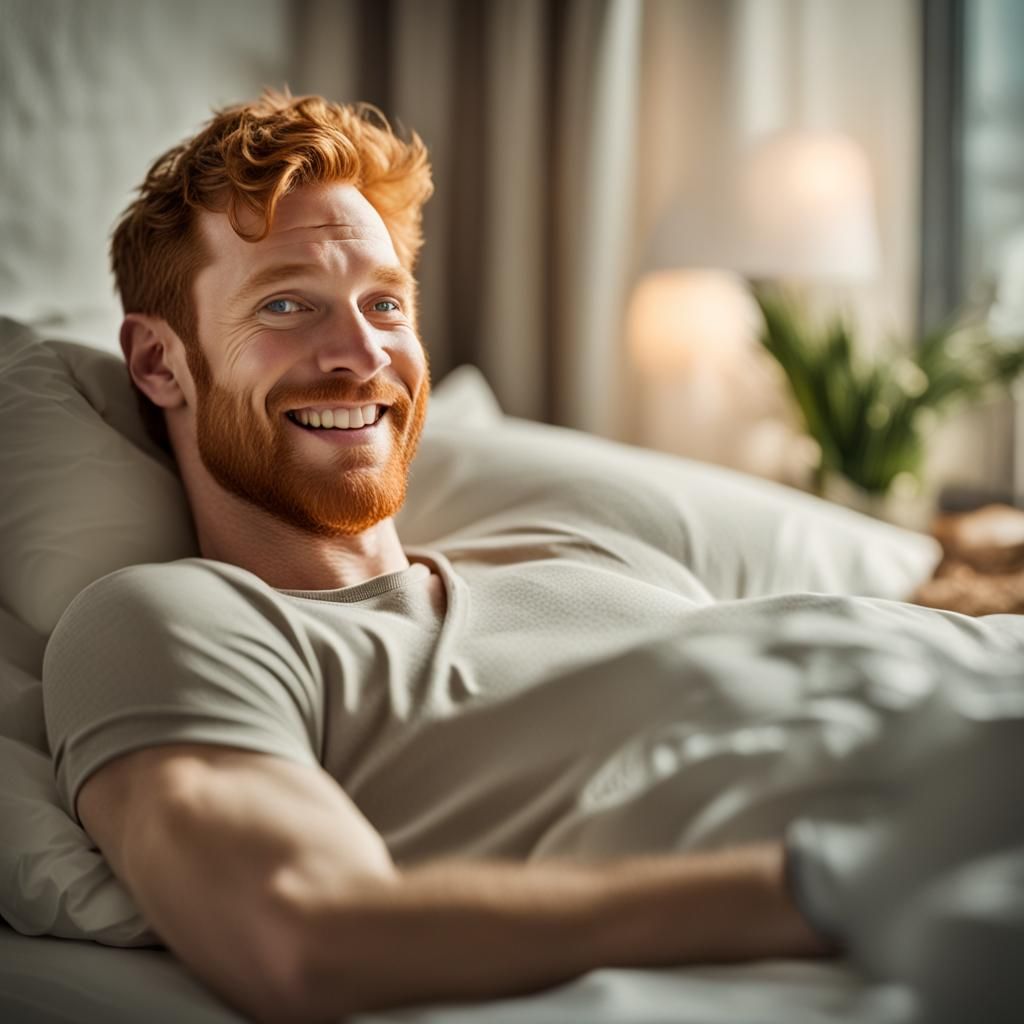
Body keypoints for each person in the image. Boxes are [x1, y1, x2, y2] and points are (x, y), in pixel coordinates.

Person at [37, 91, 1013, 1024]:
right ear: (160, 362)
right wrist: (834, 880)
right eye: (289, 306)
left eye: (384, 305)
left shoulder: (574, 546)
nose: (361, 354)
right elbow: (302, 931)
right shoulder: (174, 621)